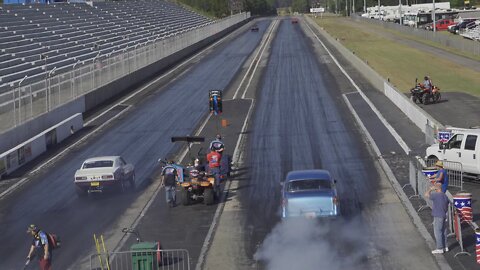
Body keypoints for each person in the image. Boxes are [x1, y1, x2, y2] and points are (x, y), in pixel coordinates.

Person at [424, 184, 449, 254]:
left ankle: (440, 248)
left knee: (438, 232)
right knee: (444, 231)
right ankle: (445, 246)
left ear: (436, 189)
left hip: (438, 216)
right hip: (444, 215)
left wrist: (430, 189)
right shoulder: (445, 196)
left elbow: (426, 194)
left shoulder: (436, 195)